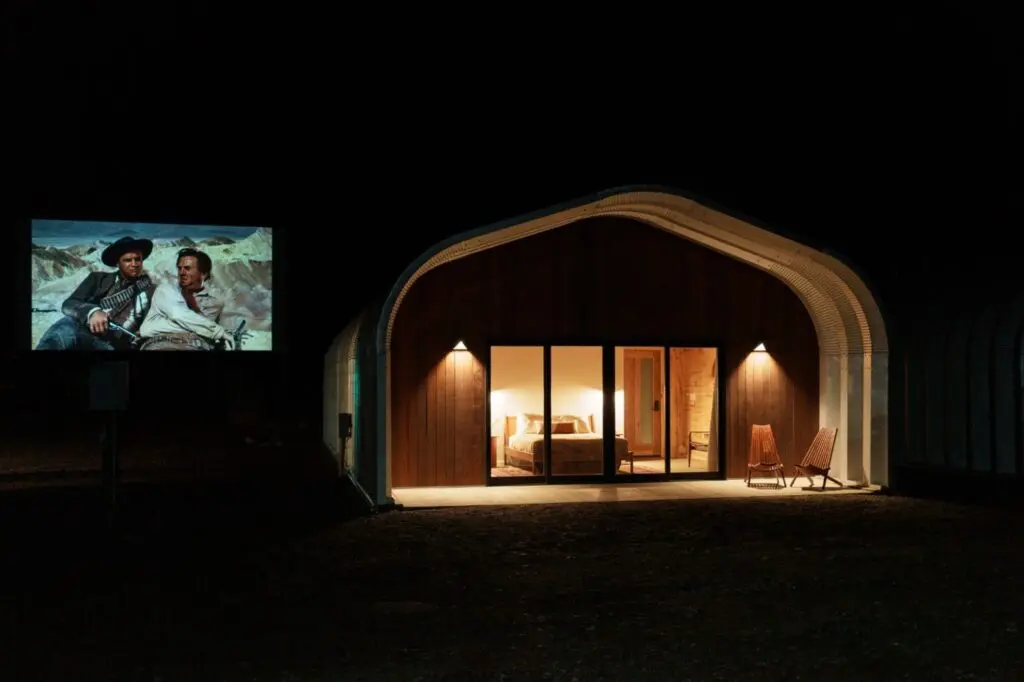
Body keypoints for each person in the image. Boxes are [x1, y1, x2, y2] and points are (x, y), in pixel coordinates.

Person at [35, 236, 156, 350]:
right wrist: (93, 312)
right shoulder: (97, 278)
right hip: (85, 333)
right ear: (118, 263)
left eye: (138, 259)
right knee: (66, 326)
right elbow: (69, 304)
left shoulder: (150, 289)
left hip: (114, 345)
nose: (134, 264)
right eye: (128, 260)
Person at [138, 247, 235, 350]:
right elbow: (179, 314)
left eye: (187, 268)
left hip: (195, 345)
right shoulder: (166, 290)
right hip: (161, 344)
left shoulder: (213, 302)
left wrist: (161, 325)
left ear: (203, 274)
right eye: (180, 268)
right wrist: (218, 332)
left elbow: (200, 327)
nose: (182, 272)